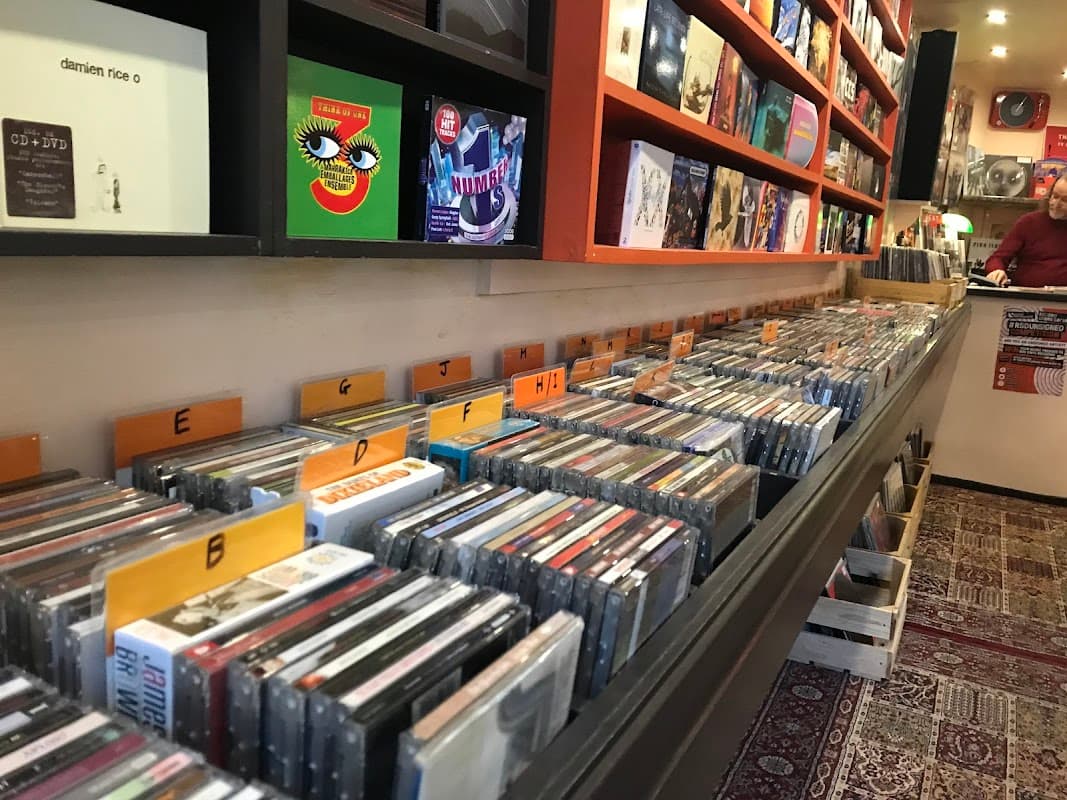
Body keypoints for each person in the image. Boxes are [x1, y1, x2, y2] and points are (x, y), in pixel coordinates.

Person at [984, 174, 1067, 287]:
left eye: (1065, 200)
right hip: (1026, 298)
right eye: (1055, 196)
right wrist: (996, 270)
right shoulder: (1029, 222)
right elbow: (998, 258)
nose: (1056, 204)